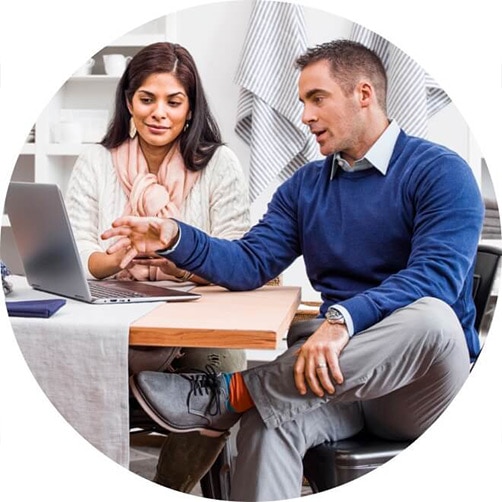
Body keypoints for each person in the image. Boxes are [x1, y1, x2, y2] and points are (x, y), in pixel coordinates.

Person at [101, 40, 484, 501]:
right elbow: (249, 263)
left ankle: (236, 391)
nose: (304, 116)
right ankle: (246, 397)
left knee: (433, 317)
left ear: (363, 94)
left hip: (418, 386)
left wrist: (343, 320)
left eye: (316, 98)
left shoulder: (441, 172)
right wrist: (174, 238)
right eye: (303, 102)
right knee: (266, 423)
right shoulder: (305, 186)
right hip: (333, 379)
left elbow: (436, 279)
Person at [64, 42, 250, 493]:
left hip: (197, 315)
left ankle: (168, 488)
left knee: (224, 371)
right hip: (116, 310)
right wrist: (115, 259)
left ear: (191, 107)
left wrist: (178, 256)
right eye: (147, 99)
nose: (159, 113)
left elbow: (237, 256)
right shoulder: (95, 161)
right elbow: (80, 249)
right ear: (129, 101)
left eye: (174, 101)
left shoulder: (219, 164)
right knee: (64, 360)